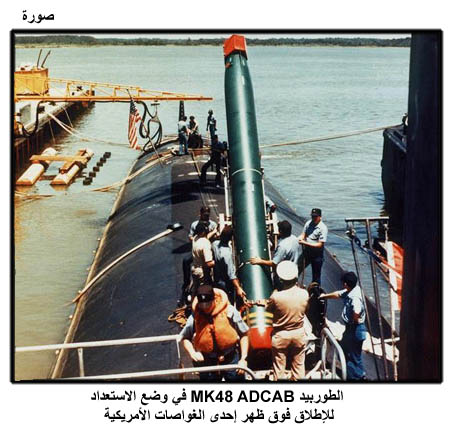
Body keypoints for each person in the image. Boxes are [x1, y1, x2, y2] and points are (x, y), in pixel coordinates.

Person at [180, 284, 249, 381]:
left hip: (230, 358)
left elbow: (244, 334)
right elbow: (185, 337)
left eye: (208, 304)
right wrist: (192, 353)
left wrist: (243, 359)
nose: (205, 308)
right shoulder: (195, 316)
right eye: (202, 305)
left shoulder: (229, 311)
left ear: (214, 300)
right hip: (207, 361)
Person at [265, 261, 309, 381]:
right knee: (299, 368)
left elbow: (268, 309)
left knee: (279, 369)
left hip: (281, 335)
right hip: (299, 334)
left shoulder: (276, 296)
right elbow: (306, 309)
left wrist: (273, 294)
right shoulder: (304, 293)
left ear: (281, 279)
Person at [319, 271, 367, 380]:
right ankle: (360, 374)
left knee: (352, 355)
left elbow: (357, 310)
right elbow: (338, 294)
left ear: (345, 284)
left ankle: (355, 378)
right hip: (351, 329)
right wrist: (324, 296)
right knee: (347, 350)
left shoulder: (355, 297)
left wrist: (355, 320)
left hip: (355, 329)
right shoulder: (354, 289)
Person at [180, 207, 218, 306]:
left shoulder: (211, 226)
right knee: (204, 287)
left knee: (196, 288)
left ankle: (192, 303)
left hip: (204, 252)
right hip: (201, 254)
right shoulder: (201, 236)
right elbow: (208, 262)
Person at [249, 220, 300, 285]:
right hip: (293, 272)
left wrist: (260, 261)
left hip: (284, 275)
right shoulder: (295, 239)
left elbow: (274, 263)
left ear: (280, 231)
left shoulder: (282, 247)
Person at [212, 225, 246, 304]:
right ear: (230, 238)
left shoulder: (214, 244)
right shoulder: (226, 254)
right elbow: (231, 275)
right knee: (227, 301)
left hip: (217, 277)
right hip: (225, 281)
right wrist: (238, 288)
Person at [298, 208, 328, 284]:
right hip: (307, 252)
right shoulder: (308, 223)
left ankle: (315, 289)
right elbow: (303, 234)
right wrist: (300, 238)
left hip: (317, 255)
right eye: (312, 216)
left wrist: (305, 243)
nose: (313, 218)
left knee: (316, 277)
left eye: (315, 216)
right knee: (297, 268)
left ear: (320, 217)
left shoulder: (323, 228)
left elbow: (320, 244)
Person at [191, 222, 215, 292]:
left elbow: (205, 238)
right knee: (204, 292)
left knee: (195, 290)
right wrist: (217, 261)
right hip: (202, 272)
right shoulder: (205, 244)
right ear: (203, 232)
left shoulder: (195, 238)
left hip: (195, 269)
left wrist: (214, 231)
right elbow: (209, 263)